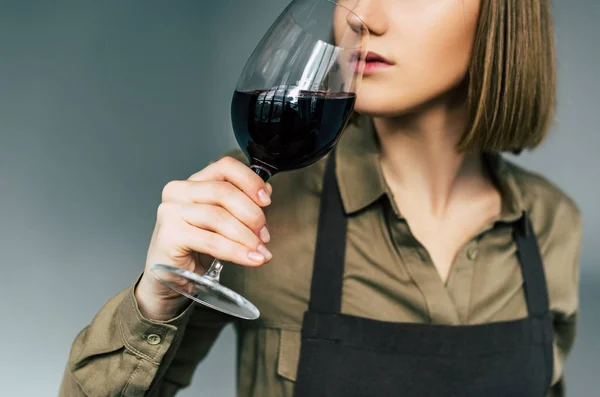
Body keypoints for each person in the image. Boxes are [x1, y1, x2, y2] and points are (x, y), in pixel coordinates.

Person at [59, 1, 583, 396]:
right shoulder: (257, 206)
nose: (364, 16)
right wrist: (157, 299)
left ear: (502, 17)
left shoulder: (551, 225)